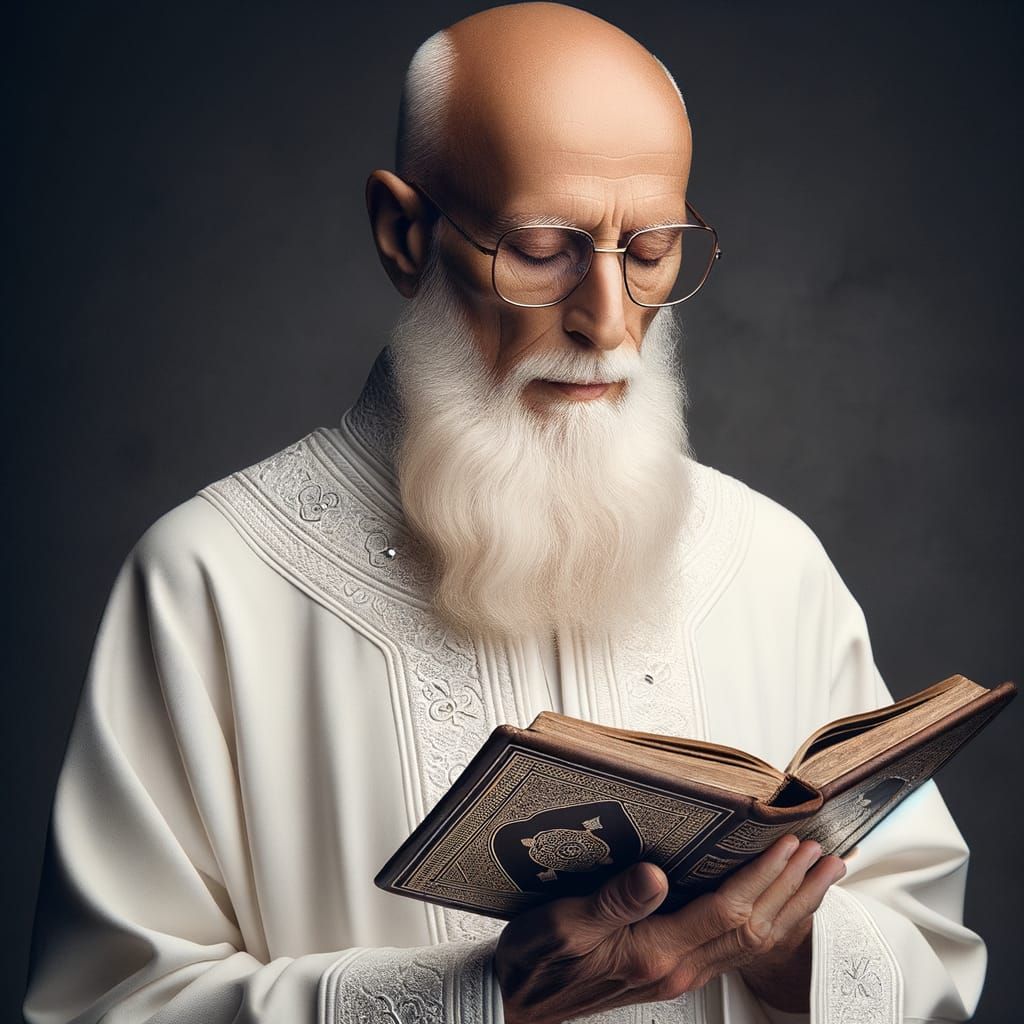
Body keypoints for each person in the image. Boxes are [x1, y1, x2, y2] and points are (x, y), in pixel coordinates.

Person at [23, 4, 986, 1023]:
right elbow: (105, 1003)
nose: (607, 321)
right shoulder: (210, 579)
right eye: (540, 247)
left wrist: (793, 951)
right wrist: (482, 997)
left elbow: (924, 943)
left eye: (651, 249)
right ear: (404, 235)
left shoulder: (768, 560)